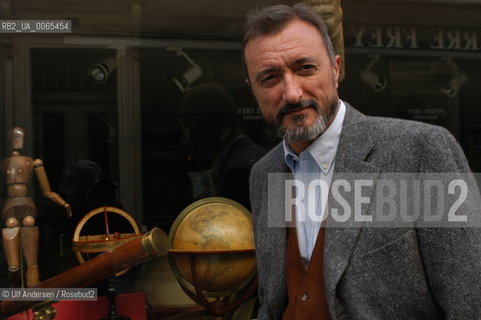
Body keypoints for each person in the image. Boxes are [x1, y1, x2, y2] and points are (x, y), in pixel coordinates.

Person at [244, 3, 481, 319]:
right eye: (270, 78)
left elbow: (470, 301)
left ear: (335, 68)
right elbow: (274, 303)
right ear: (253, 89)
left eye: (305, 68)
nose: (291, 93)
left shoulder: (420, 152)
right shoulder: (263, 174)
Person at [0, 127, 71, 287]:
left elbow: (47, 191)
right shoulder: (4, 163)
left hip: (26, 202)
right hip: (10, 203)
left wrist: (63, 203)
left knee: (29, 223)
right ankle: (14, 271)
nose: (17, 141)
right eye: (14, 137)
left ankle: (32, 272)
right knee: (11, 225)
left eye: (20, 138)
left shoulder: (32, 162)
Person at [180, 83, 265, 209]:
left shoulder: (236, 173)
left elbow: (231, 227)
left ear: (222, 129)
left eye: (192, 127)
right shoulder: (262, 156)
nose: (187, 138)